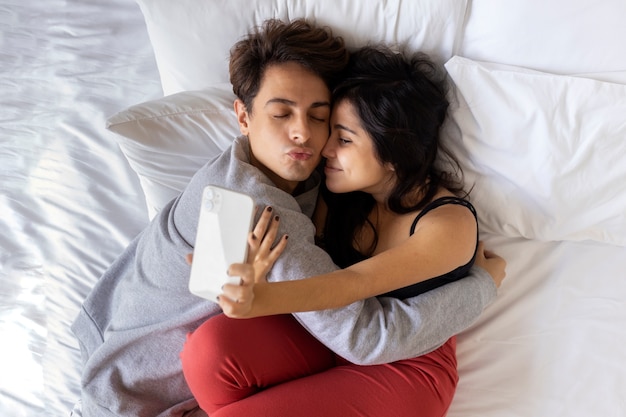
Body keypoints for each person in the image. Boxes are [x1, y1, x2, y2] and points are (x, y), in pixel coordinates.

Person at [71, 19, 503, 417]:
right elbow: (344, 302)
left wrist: (482, 284)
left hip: (401, 357)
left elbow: (361, 320)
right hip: (132, 389)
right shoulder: (269, 203)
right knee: (211, 351)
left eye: (323, 119)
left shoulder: (302, 176)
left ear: (393, 150)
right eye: (281, 114)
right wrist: (256, 303)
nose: (309, 136)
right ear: (243, 116)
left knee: (213, 350)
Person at [179, 45, 505, 417]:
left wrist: (262, 299)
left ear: (395, 150)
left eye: (345, 139)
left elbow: (351, 285)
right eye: (330, 131)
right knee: (208, 353)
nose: (326, 149)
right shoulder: (339, 193)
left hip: (406, 365)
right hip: (332, 341)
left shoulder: (446, 223)